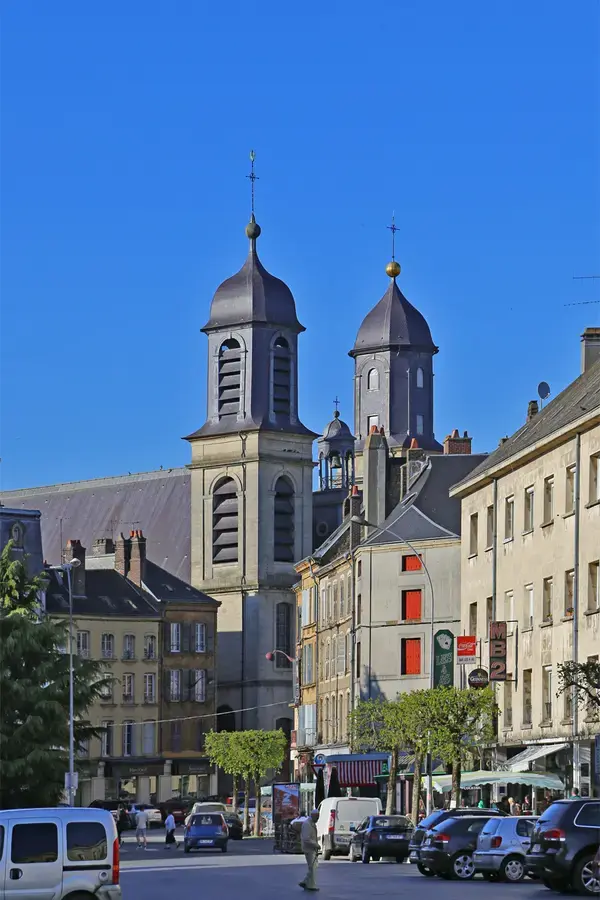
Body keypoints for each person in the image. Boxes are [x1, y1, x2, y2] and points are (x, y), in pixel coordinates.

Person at [299, 810, 320, 892]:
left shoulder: (311, 823)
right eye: (317, 817)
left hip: (311, 848)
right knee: (313, 867)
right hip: (309, 849)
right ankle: (311, 885)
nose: (318, 819)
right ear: (313, 815)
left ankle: (305, 882)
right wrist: (316, 845)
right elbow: (306, 839)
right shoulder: (307, 824)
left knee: (313, 867)